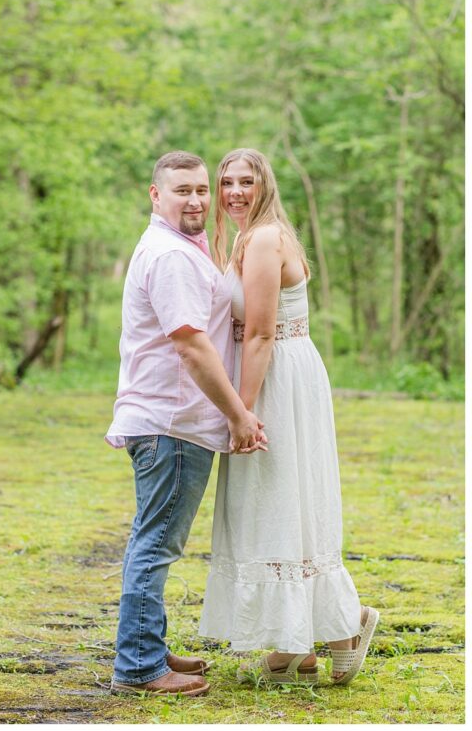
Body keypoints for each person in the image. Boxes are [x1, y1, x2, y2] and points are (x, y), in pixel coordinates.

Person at [198, 148, 378, 685]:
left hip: (275, 377)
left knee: (283, 495)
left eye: (245, 181)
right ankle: (293, 643)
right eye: (225, 181)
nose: (233, 191)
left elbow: (257, 333)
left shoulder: (264, 239)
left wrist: (242, 414)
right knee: (275, 502)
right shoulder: (245, 238)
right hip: (277, 370)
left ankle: (346, 626)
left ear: (264, 185)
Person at [105, 151, 267, 698]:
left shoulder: (183, 248)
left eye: (202, 189)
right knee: (155, 546)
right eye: (182, 191)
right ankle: (140, 666)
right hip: (172, 423)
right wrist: (239, 416)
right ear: (156, 195)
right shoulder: (171, 256)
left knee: (151, 541)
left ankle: (147, 644)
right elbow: (194, 348)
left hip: (172, 422)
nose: (196, 200)